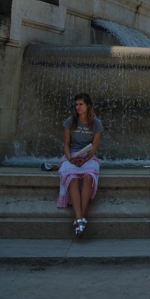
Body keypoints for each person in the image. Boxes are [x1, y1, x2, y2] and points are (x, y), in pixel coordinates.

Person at [57, 93, 103, 238]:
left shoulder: (96, 123)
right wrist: (70, 158)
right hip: (72, 156)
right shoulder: (70, 121)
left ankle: (79, 219)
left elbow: (94, 147)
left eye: (81, 104)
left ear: (88, 105)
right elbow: (66, 144)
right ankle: (80, 220)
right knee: (73, 177)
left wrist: (85, 159)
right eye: (76, 104)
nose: (78, 107)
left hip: (88, 157)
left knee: (89, 177)